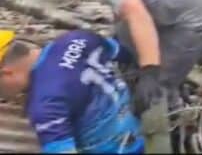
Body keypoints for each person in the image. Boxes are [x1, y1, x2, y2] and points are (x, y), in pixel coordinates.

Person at [11, 0, 202, 153]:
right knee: (126, 42)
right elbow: (129, 15)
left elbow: (137, 15)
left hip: (199, 15)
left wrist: (151, 70)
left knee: (158, 87)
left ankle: (167, 135)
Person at [0, 29, 145, 154]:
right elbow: (127, 53)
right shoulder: (77, 38)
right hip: (147, 127)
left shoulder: (45, 105)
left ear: (7, 73)